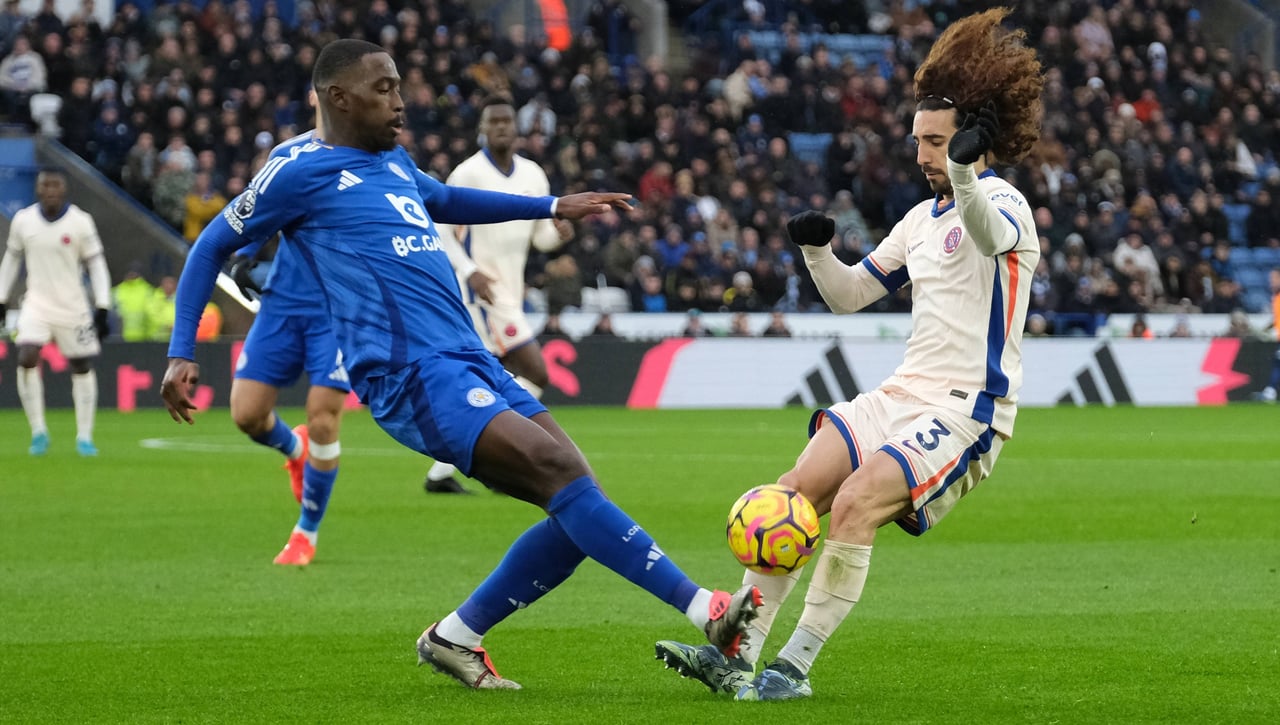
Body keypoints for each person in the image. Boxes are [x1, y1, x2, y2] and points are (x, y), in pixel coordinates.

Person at [159, 39, 760, 689]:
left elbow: (443, 200)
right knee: (563, 476)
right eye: (383, 88)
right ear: (337, 97)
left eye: (398, 86)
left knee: (580, 499)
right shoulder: (297, 170)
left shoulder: (391, 159)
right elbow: (211, 247)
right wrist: (181, 350)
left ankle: (456, 635)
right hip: (407, 372)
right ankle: (707, 609)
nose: (400, 101)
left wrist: (552, 205)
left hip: (467, 354)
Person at [653, 8, 1043, 701]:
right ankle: (735, 652)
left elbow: (985, 233)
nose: (921, 154)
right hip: (899, 394)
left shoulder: (1005, 202)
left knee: (858, 501)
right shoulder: (920, 220)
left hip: (966, 411)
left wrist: (963, 174)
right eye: (918, 141)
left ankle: (792, 667)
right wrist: (814, 251)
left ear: (969, 144)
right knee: (796, 490)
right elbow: (852, 293)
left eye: (934, 142)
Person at [423, 95, 575, 494]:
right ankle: (496, 454)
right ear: (483, 129)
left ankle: (449, 469)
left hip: (509, 291)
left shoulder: (533, 174)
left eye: (508, 121)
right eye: (495, 122)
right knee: (535, 372)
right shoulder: (467, 173)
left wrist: (558, 235)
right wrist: (469, 271)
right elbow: (441, 229)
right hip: (481, 294)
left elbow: (540, 237)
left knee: (488, 383)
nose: (503, 127)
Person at [0, 167, 111, 456]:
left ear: (64, 189)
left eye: (55, 185)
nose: (50, 190)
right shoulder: (23, 221)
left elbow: (96, 265)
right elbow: (11, 261)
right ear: (37, 189)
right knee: (26, 355)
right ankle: (38, 432)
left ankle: (84, 437)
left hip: (73, 306)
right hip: (36, 303)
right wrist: (1, 299)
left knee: (82, 366)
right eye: (45, 185)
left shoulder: (80, 222)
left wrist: (102, 304)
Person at [1256, 268, 1280, 402]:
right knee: (1277, 363)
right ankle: (1270, 391)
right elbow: (1277, 319)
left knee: (1277, 363)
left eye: (1275, 278)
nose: (1271, 282)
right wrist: (1266, 328)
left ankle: (1270, 391)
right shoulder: (1276, 297)